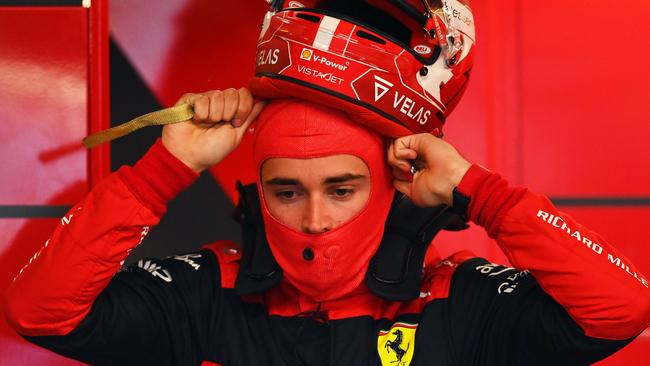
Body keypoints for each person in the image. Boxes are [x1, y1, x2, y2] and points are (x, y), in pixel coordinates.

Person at [4, 0, 650, 365]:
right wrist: (160, 173)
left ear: (392, 184)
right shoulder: (207, 293)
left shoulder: (460, 301)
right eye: (288, 191)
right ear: (258, 191)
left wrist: (483, 193)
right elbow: (40, 312)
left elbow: (621, 310)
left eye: (342, 189)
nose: (314, 221)